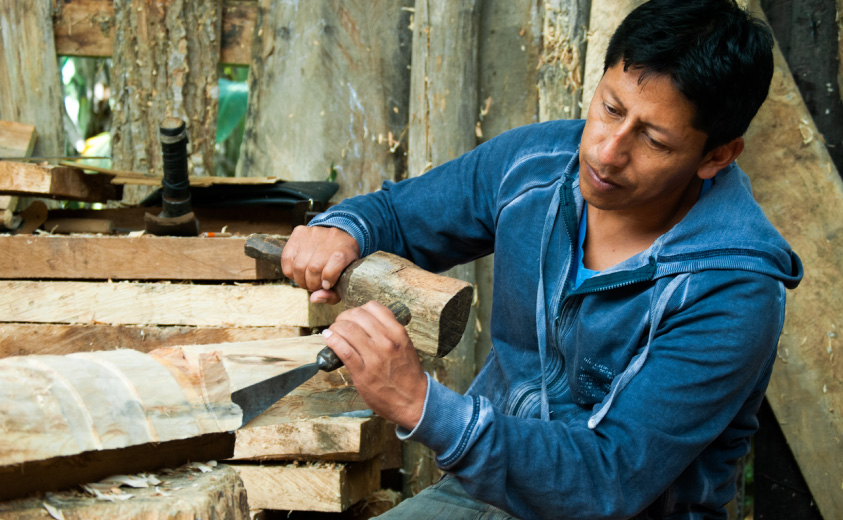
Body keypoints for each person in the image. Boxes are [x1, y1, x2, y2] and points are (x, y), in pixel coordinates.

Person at [280, 0, 803, 518]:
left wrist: (422, 406)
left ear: (716, 156)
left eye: (652, 139)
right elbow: (397, 214)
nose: (606, 151)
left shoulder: (734, 288)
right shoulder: (534, 166)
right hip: (485, 495)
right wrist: (342, 230)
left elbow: (610, 480)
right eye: (611, 109)